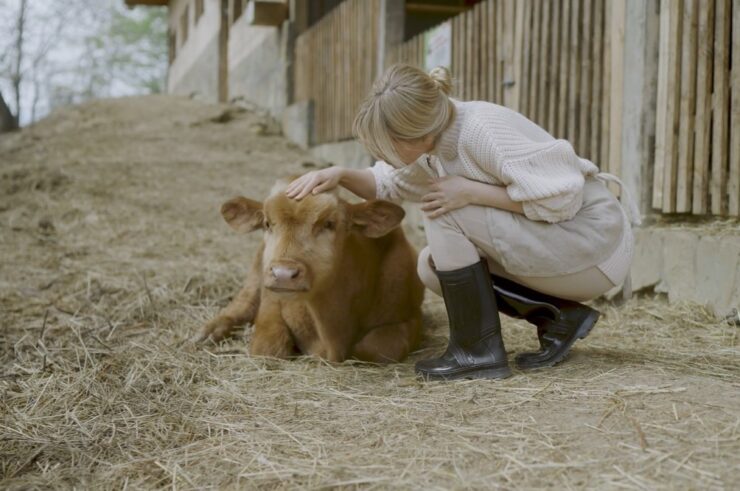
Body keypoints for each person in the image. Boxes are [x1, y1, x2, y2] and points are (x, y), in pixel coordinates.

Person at [285, 64, 640, 381]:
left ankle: (478, 353)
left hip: (594, 243)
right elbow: (386, 184)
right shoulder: (433, 143)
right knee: (431, 266)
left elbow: (561, 200)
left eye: (388, 144)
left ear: (419, 134)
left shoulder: (483, 129)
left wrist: (470, 193)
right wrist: (339, 175)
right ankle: (560, 318)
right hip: (567, 250)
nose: (381, 154)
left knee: (443, 205)